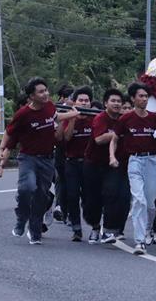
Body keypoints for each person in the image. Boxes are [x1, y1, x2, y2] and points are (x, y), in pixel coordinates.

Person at [0, 77, 79, 245]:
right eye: (41, 92)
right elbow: (9, 133)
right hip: (28, 158)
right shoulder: (23, 114)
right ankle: (21, 219)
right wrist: (1, 152)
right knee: (27, 188)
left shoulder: (49, 106)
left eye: (46, 90)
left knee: (41, 196)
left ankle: (35, 232)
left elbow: (56, 117)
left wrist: (74, 113)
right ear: (31, 96)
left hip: (48, 160)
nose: (45, 94)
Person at [110, 82, 156, 255]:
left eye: (146, 96)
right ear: (133, 98)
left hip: (152, 161)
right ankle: (139, 240)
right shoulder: (125, 119)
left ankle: (149, 226)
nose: (144, 99)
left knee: (150, 202)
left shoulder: (153, 117)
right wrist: (112, 156)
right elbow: (114, 139)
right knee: (138, 200)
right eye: (140, 96)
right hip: (134, 160)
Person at [88, 89, 128, 245]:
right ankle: (95, 227)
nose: (117, 104)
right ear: (105, 103)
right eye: (113, 101)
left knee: (116, 194)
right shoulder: (100, 118)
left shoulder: (124, 119)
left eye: (119, 101)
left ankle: (110, 230)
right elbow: (99, 139)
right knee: (93, 200)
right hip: (94, 164)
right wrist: (119, 133)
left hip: (115, 164)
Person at [59, 86, 94, 242]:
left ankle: (92, 221)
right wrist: (72, 118)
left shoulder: (95, 118)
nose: (84, 103)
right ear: (74, 102)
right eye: (81, 100)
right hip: (72, 162)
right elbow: (66, 138)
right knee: (72, 195)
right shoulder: (68, 118)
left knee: (89, 196)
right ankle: (76, 228)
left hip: (90, 164)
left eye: (86, 101)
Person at [52, 84, 74, 223]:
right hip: (59, 151)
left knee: (72, 183)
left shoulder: (80, 111)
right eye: (68, 98)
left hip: (75, 152)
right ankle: (59, 207)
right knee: (61, 179)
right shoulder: (54, 111)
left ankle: (70, 211)